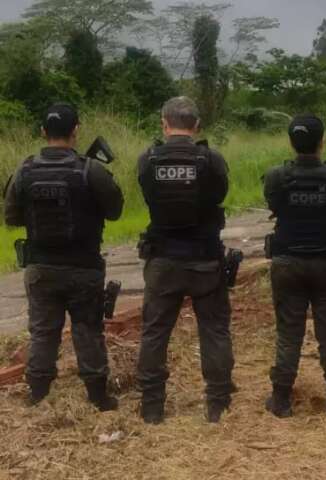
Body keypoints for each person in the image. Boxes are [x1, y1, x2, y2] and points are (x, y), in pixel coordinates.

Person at [3, 103, 123, 411]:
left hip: (41, 267)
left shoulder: (25, 169)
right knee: (88, 330)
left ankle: (38, 395)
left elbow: (12, 217)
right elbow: (116, 210)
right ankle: (98, 398)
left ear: (43, 132)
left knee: (43, 332)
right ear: (76, 130)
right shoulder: (90, 169)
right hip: (83, 266)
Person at [136, 97, 233, 425]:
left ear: (164, 123)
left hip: (163, 261)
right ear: (197, 126)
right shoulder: (212, 160)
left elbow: (148, 194)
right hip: (205, 260)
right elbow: (219, 194)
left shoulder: (147, 160)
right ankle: (217, 404)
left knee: (154, 333)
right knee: (215, 331)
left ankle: (152, 407)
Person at [263, 114, 326, 418]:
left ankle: (280, 400)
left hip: (288, 261)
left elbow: (274, 204)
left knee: (288, 332)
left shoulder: (276, 177)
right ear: (322, 141)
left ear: (291, 142)